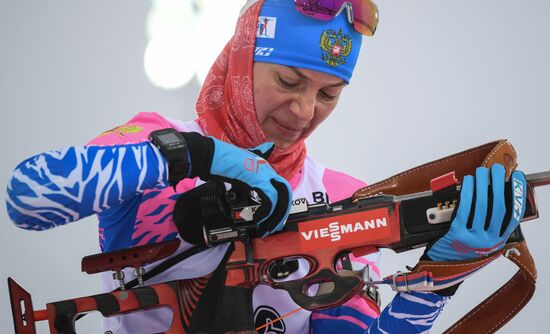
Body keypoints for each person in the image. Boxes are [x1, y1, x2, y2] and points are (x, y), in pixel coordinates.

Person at [5, 0, 527, 333]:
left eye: (329, 93)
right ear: (242, 58)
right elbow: (26, 197)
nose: (304, 112)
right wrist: (207, 156)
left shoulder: (340, 194)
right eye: (288, 82)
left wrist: (439, 280)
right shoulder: (153, 142)